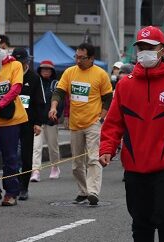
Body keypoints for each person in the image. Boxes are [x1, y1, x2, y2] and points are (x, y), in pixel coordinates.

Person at [99, 26, 164, 242]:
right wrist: (107, 148)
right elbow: (113, 123)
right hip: (134, 167)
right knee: (140, 221)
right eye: (141, 47)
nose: (144, 51)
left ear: (162, 50)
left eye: (150, 47)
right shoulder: (124, 85)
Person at [49, 43, 113, 205]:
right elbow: (59, 92)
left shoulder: (100, 74)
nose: (78, 60)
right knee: (77, 163)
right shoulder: (70, 72)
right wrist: (54, 107)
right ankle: (83, 191)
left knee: (93, 159)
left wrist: (102, 117)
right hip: (76, 124)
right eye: (76, 57)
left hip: (93, 123)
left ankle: (93, 191)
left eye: (82, 57)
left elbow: (107, 98)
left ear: (91, 58)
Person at [0, 45, 28, 207]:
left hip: (11, 120)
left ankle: (11, 192)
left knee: (10, 158)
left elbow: (16, 88)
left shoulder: (15, 65)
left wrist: (0, 105)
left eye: (0, 47)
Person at [11, 47, 45, 200]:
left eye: (22, 62)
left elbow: (39, 102)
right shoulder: (8, 74)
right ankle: (12, 187)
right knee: (10, 155)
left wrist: (38, 123)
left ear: (27, 62)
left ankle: (24, 187)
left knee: (26, 155)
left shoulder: (34, 78)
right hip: (9, 121)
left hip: (27, 121)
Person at [31, 60, 64, 182]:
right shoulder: (36, 83)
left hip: (51, 121)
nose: (45, 71)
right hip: (37, 122)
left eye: (48, 69)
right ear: (39, 70)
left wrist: (57, 115)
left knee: (53, 146)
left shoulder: (56, 84)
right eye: (43, 69)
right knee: (36, 147)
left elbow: (60, 101)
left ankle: (55, 167)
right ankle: (35, 171)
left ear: (52, 71)